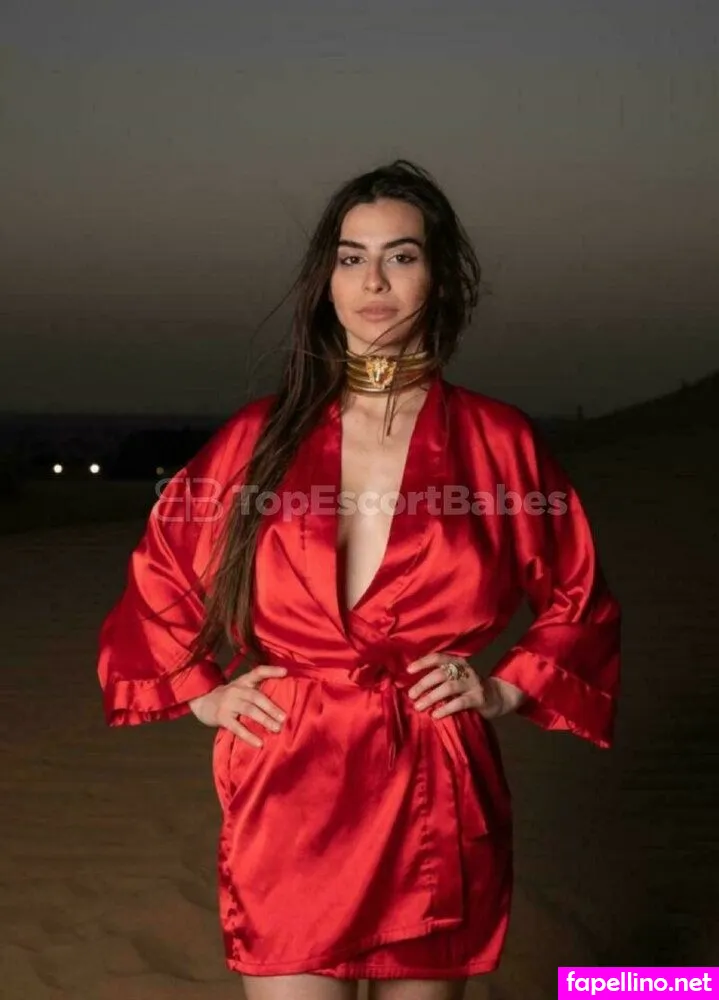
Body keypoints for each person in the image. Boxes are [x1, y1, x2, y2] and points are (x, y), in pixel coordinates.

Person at [97, 160, 621, 1000]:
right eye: (351, 258)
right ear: (326, 281)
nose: (373, 281)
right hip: (291, 779)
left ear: (439, 277)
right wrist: (204, 694)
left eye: (400, 256)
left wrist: (502, 689)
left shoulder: (497, 441)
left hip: (435, 781)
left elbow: (578, 595)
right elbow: (161, 572)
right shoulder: (257, 437)